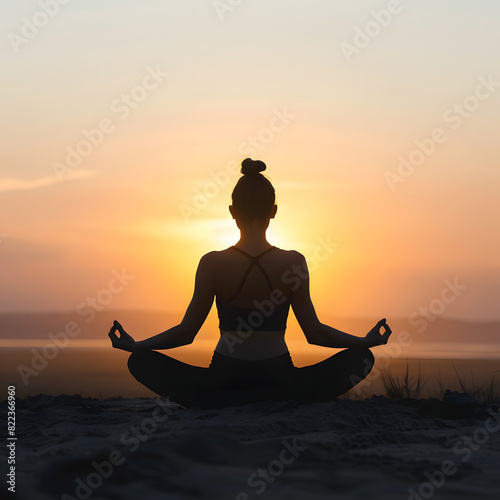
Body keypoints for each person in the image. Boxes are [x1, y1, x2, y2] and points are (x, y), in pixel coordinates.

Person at [108, 158, 392, 408]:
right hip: (282, 382)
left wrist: (137, 346)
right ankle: (284, 399)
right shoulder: (294, 262)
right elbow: (314, 333)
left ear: (232, 211)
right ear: (274, 210)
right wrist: (364, 341)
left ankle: (219, 401)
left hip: (221, 381)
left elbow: (186, 333)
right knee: (361, 358)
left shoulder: (212, 262)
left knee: (140, 361)